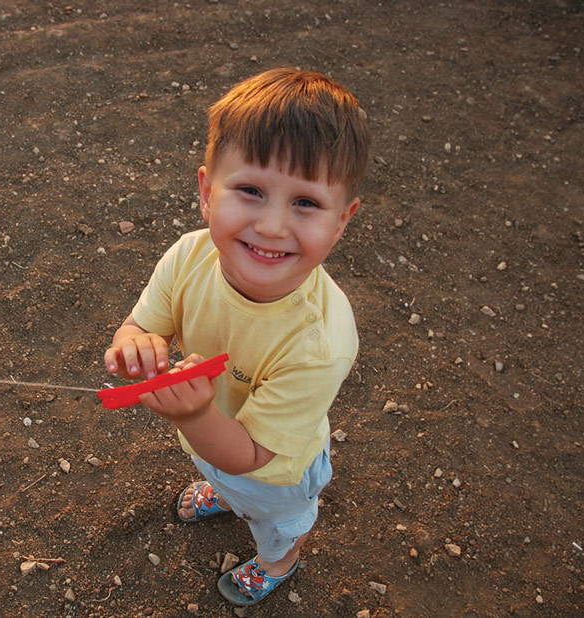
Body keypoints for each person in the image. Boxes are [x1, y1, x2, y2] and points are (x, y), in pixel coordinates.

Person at [103, 68, 370, 606]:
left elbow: (250, 455)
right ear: (207, 191)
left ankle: (279, 563)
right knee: (224, 475)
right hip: (211, 440)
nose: (272, 226)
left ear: (342, 220)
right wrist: (134, 344)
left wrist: (194, 417)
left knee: (276, 522)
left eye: (306, 203)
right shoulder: (188, 254)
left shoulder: (321, 343)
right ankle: (225, 495)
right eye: (251, 190)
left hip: (273, 472)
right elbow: (140, 326)